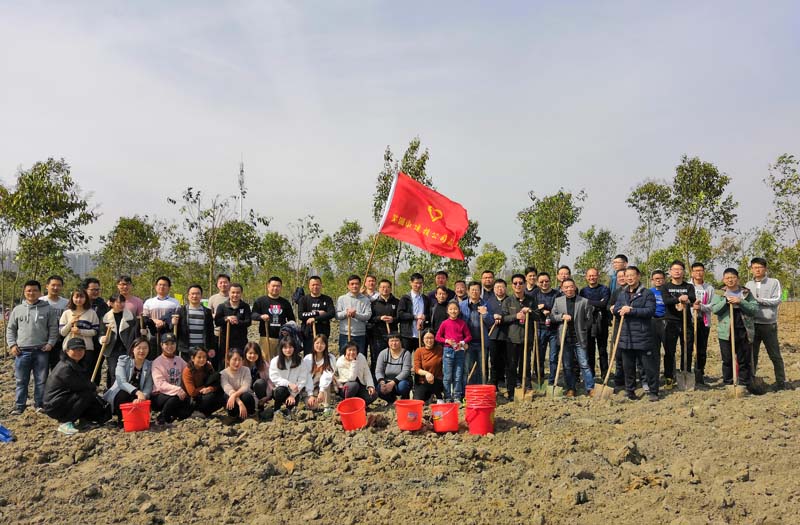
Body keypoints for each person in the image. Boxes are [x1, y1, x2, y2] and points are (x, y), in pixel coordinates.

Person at [7, 280, 59, 415]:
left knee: (41, 380)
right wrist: (12, 345)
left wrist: (50, 343)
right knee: (21, 380)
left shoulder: (48, 309)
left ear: (40, 292)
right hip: (21, 351)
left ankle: (39, 404)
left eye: (35, 290)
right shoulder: (17, 309)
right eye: (28, 290)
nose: (31, 293)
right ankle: (20, 406)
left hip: (41, 350)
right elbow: (11, 329)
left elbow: (53, 328)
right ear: (24, 292)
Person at [43, 338, 111, 435]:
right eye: (74, 350)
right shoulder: (65, 367)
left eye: (81, 350)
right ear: (67, 351)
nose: (78, 352)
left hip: (65, 399)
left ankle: (84, 421)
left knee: (94, 404)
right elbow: (80, 385)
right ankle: (65, 422)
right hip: (54, 405)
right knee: (86, 394)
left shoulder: (76, 364)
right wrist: (93, 387)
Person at [612, 266, 658, 401]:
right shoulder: (622, 294)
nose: (629, 278)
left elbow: (650, 311)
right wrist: (618, 310)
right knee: (628, 367)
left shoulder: (647, 293)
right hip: (626, 336)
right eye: (627, 276)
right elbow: (616, 309)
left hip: (642, 336)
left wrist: (631, 310)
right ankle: (630, 391)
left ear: (638, 276)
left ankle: (653, 391)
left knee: (648, 367)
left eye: (632, 275)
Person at [712, 268, 759, 389]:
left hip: (743, 329)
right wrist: (725, 302)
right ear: (723, 280)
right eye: (727, 278)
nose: (730, 280)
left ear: (737, 279)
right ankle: (728, 382)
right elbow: (715, 309)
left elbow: (754, 309)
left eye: (733, 277)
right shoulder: (719, 293)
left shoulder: (746, 293)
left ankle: (744, 383)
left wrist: (740, 301)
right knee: (727, 359)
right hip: (726, 330)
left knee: (744, 359)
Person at [745, 257, 786, 389]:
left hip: (768, 325)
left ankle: (781, 382)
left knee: (774, 354)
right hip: (752, 324)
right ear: (751, 269)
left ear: (765, 269)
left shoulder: (774, 282)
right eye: (754, 267)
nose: (757, 270)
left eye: (760, 267)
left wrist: (759, 300)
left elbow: (777, 299)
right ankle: (751, 381)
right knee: (752, 355)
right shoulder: (748, 284)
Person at [550, 279, 594, 397]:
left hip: (579, 338)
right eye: (566, 287)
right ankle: (571, 388)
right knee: (567, 365)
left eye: (571, 286)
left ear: (575, 287)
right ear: (562, 289)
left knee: (584, 364)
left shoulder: (583, 301)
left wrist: (583, 328)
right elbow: (552, 316)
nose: (569, 289)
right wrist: (562, 316)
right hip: (565, 338)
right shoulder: (558, 301)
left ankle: (590, 387)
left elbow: (589, 319)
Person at [661, 261, 696, 389]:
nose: (677, 271)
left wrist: (688, 299)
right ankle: (669, 377)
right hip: (671, 322)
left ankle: (685, 372)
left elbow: (692, 298)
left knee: (687, 349)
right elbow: (666, 300)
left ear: (683, 271)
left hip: (686, 322)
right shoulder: (665, 287)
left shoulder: (689, 286)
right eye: (674, 269)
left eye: (680, 269)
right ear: (670, 271)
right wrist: (679, 299)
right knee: (669, 351)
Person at [103, 337, 153, 425]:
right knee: (123, 393)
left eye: (145, 348)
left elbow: (148, 386)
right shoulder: (124, 361)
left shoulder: (149, 365)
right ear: (133, 349)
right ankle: (121, 419)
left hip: (138, 397)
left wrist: (142, 397)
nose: (142, 351)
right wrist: (137, 392)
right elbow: (121, 382)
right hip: (121, 394)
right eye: (139, 348)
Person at [58, 288, 100, 382]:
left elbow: (95, 331)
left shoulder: (91, 313)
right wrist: (70, 323)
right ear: (72, 298)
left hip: (86, 348)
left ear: (86, 298)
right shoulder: (66, 313)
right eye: (76, 297)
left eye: (81, 297)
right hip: (69, 348)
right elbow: (62, 332)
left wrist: (80, 331)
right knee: (69, 373)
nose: (79, 299)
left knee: (85, 373)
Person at [100, 293, 139, 389]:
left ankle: (125, 393)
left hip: (127, 349)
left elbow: (135, 332)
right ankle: (113, 393)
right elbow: (101, 333)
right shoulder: (106, 318)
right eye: (118, 302)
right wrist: (102, 339)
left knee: (127, 373)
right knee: (114, 373)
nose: (121, 304)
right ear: (111, 303)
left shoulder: (130, 317)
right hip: (112, 350)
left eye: (123, 302)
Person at [150, 333, 191, 424]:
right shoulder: (157, 362)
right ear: (161, 345)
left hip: (178, 394)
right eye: (166, 344)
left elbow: (189, 369)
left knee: (186, 409)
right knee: (175, 398)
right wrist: (177, 389)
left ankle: (173, 414)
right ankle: (162, 417)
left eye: (172, 343)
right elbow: (160, 385)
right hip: (160, 395)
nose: (170, 346)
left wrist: (201, 364)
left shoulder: (179, 359)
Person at [436, 301, 472, 402]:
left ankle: (457, 396)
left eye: (455, 309)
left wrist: (462, 342)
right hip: (448, 350)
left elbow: (469, 336)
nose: (453, 311)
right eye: (451, 309)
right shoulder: (444, 323)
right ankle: (447, 396)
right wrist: (447, 340)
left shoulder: (462, 323)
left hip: (459, 351)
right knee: (447, 376)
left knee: (458, 375)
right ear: (447, 311)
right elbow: (438, 337)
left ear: (459, 311)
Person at [252, 276, 295, 361]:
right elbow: (253, 315)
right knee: (266, 362)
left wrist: (288, 329)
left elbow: (292, 320)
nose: (275, 288)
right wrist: (261, 316)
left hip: (282, 338)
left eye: (278, 286)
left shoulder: (285, 303)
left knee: (281, 362)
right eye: (273, 286)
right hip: (266, 337)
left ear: (281, 288)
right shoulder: (260, 301)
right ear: (268, 287)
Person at [579, 268, 611, 379]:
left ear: (598, 276)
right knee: (589, 349)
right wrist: (598, 302)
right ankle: (591, 373)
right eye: (589, 276)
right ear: (586, 277)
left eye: (594, 275)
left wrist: (588, 302)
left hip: (602, 322)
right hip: (588, 322)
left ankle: (604, 373)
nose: (592, 278)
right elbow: (582, 305)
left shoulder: (604, 289)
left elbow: (604, 304)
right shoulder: (583, 291)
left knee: (602, 349)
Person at [507, 274, 535, 395]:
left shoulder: (531, 300)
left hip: (527, 338)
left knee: (526, 364)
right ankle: (511, 389)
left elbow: (538, 316)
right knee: (512, 365)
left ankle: (526, 386)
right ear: (512, 285)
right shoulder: (508, 301)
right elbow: (503, 318)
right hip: (512, 338)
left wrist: (530, 311)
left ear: (524, 284)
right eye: (515, 283)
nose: (518, 285)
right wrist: (515, 316)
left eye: (520, 283)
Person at [172, 284, 216, 362]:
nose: (195, 296)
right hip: (186, 350)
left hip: (202, 350)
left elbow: (211, 331)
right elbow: (174, 329)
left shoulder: (207, 312)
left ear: (201, 296)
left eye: (197, 294)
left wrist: (212, 348)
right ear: (188, 296)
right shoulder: (181, 311)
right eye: (192, 294)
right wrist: (173, 323)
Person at [459, 281, 492, 385]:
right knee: (467, 368)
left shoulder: (485, 304)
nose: (474, 292)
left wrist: (485, 314)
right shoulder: (462, 305)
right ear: (468, 291)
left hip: (482, 342)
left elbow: (491, 323)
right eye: (472, 290)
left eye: (477, 290)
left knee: (482, 368)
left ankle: (481, 389)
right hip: (468, 343)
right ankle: (468, 389)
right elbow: (458, 323)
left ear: (480, 291)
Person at [532, 273, 561, 385]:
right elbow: (532, 309)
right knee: (539, 355)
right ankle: (539, 378)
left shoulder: (556, 294)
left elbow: (558, 309)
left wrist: (546, 308)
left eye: (546, 281)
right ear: (538, 283)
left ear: (550, 281)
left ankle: (552, 380)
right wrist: (539, 310)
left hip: (554, 329)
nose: (544, 283)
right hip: (540, 328)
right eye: (541, 281)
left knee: (553, 356)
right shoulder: (535, 294)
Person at [214, 283, 252, 365]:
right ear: (229, 292)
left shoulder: (245, 306)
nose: (235, 295)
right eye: (233, 292)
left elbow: (248, 322)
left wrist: (238, 321)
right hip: (226, 341)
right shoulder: (222, 306)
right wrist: (226, 318)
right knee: (225, 363)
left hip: (241, 341)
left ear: (241, 293)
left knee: (240, 363)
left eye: (238, 293)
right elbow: (217, 321)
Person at [296, 275, 335, 355]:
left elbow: (331, 313)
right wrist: (317, 313)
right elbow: (301, 315)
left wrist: (315, 319)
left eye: (317, 285)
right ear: (309, 286)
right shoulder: (303, 299)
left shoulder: (327, 299)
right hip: (308, 334)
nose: (315, 287)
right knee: (309, 357)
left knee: (323, 356)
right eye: (313, 285)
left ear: (321, 285)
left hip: (323, 333)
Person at [269, 337, 309, 414]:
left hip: (295, 391)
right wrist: (288, 384)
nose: (288, 350)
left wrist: (293, 395)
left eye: (290, 347)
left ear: (294, 348)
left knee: (290, 410)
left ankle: (288, 410)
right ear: (281, 349)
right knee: (281, 390)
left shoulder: (300, 361)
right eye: (285, 348)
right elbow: (274, 377)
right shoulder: (275, 361)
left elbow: (303, 379)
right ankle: (277, 409)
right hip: (279, 390)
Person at [142, 276, 181, 356]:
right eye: (160, 284)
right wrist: (155, 321)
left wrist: (165, 323)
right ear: (155, 286)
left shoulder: (175, 302)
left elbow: (177, 317)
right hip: (153, 334)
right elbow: (145, 318)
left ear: (169, 287)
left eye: (164, 285)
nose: (162, 287)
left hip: (169, 335)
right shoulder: (149, 302)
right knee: (153, 356)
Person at [690, 262, 715, 386]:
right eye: (696, 270)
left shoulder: (709, 288)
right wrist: (692, 306)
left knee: (702, 349)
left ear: (704, 272)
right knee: (688, 348)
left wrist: (701, 307)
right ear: (692, 273)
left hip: (704, 321)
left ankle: (700, 373)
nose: (698, 273)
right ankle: (688, 372)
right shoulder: (688, 286)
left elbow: (712, 305)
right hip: (690, 321)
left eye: (700, 270)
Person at [368, 279, 399, 374]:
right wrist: (380, 318)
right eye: (382, 287)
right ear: (379, 288)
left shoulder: (397, 302)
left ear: (391, 288)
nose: (385, 289)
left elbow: (400, 317)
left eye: (387, 287)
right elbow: (370, 318)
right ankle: (376, 378)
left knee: (393, 357)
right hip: (378, 335)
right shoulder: (373, 303)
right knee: (377, 358)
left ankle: (391, 377)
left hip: (392, 335)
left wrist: (393, 319)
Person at [182, 347, 224, 418]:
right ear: (193, 358)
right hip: (192, 398)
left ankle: (205, 413)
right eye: (199, 357)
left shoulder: (208, 366)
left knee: (222, 393)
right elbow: (192, 392)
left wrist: (210, 388)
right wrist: (205, 388)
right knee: (210, 397)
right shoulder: (188, 371)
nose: (202, 359)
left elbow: (215, 382)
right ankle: (196, 411)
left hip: (205, 392)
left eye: (204, 357)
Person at [486, 279, 511, 389]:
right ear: (494, 289)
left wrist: (502, 317)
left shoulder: (510, 300)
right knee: (494, 360)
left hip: (508, 335)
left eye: (502, 287)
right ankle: (493, 381)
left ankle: (504, 380)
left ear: (506, 288)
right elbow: (485, 316)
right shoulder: (489, 301)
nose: (499, 289)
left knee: (507, 360)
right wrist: (493, 317)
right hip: (493, 335)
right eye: (497, 287)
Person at [397, 273, 431, 354]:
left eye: (420, 283)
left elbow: (429, 314)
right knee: (405, 357)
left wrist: (424, 317)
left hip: (421, 334)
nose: (418, 285)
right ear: (411, 283)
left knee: (420, 357)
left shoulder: (425, 299)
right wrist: (415, 317)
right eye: (416, 283)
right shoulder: (405, 298)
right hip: (407, 335)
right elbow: (400, 314)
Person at [375, 333, 413, 404]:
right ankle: (391, 400)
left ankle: (404, 398)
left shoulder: (406, 353)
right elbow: (378, 371)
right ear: (388, 342)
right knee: (379, 388)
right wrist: (382, 382)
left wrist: (392, 383)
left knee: (403, 386)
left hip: (402, 380)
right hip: (387, 380)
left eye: (396, 340)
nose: (394, 343)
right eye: (391, 341)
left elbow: (406, 371)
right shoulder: (383, 353)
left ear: (401, 342)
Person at [221, 348, 257, 420]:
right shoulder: (223, 374)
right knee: (227, 396)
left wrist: (234, 395)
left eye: (239, 360)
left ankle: (251, 414)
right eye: (234, 360)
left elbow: (246, 386)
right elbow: (228, 389)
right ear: (228, 360)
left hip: (245, 398)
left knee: (246, 396)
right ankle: (233, 416)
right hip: (233, 400)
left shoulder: (246, 370)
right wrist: (239, 402)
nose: (237, 362)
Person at [303, 335, 337, 411]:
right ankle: (315, 400)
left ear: (326, 345)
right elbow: (306, 377)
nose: (319, 346)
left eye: (322, 343)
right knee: (313, 406)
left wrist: (321, 391)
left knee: (326, 382)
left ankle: (327, 406)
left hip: (325, 386)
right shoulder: (308, 358)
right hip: (311, 387)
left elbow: (327, 376)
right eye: (317, 343)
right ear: (313, 344)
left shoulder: (331, 358)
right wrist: (310, 395)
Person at [43, 275, 69, 370]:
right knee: (42, 370)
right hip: (43, 340)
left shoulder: (66, 303)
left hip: (60, 340)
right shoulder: (40, 301)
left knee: (58, 369)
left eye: (59, 285)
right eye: (53, 285)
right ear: (47, 286)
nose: (56, 288)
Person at [413, 330, 444, 403]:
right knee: (418, 400)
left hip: (437, 380)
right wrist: (427, 373)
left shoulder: (440, 349)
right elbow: (417, 368)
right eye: (427, 338)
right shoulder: (419, 351)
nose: (429, 340)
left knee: (432, 380)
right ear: (423, 339)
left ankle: (439, 397)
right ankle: (430, 396)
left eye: (431, 338)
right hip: (423, 381)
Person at [83, 277, 109, 355]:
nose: (96, 292)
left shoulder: (103, 305)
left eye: (97, 290)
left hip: (98, 342)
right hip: (82, 341)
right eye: (92, 290)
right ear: (85, 290)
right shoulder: (79, 304)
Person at [244, 341, 273, 408]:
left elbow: (270, 380)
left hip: (262, 392)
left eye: (255, 353)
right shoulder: (241, 366)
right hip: (248, 393)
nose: (252, 355)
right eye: (250, 353)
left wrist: (267, 396)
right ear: (245, 353)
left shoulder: (264, 365)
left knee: (259, 383)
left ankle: (261, 405)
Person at [208, 273, 231, 341]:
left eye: (225, 282)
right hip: (216, 332)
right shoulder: (212, 298)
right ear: (217, 284)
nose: (223, 284)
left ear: (229, 284)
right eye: (220, 283)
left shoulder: (234, 298)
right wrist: (214, 315)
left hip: (231, 332)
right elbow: (208, 315)